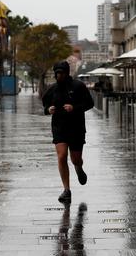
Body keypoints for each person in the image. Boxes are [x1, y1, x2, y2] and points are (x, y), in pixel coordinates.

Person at [42, 61, 94, 203]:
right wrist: (48, 110)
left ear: (67, 72)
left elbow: (90, 103)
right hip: (59, 127)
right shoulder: (52, 89)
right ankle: (67, 190)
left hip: (76, 127)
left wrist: (74, 108)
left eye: (62, 73)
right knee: (62, 156)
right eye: (57, 73)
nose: (59, 75)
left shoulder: (78, 86)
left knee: (75, 159)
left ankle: (78, 167)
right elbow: (45, 104)